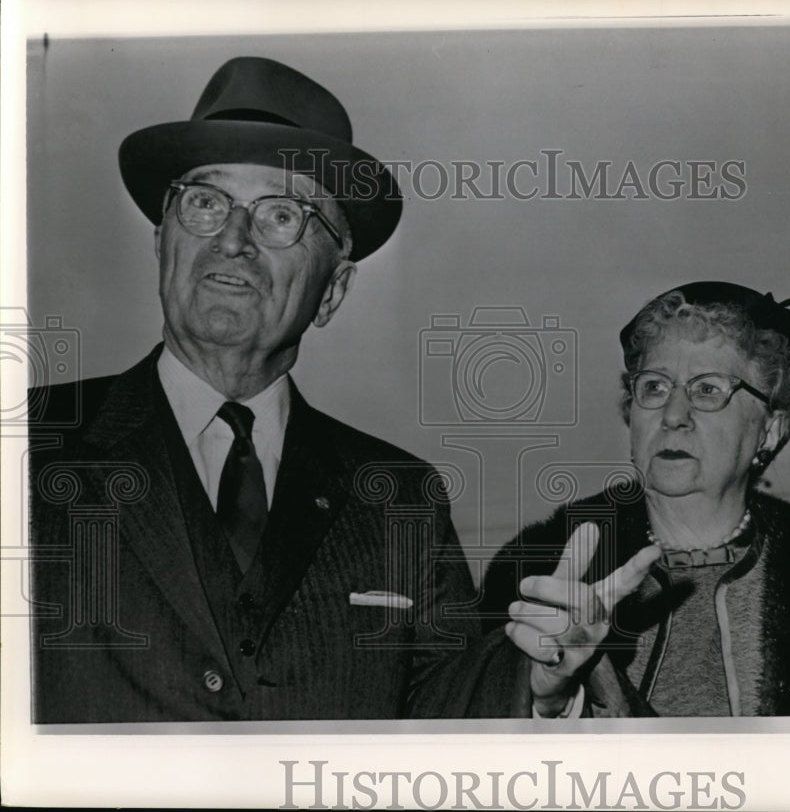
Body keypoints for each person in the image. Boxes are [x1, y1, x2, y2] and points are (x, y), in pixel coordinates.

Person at [28, 56, 494, 722]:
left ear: (331, 291)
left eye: (281, 216)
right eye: (207, 202)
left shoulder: (401, 496)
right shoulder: (26, 441)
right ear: (162, 244)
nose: (234, 240)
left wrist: (545, 684)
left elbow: (454, 724)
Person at [481, 282, 790, 717]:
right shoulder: (536, 570)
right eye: (655, 387)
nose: (673, 416)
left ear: (769, 430)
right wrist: (547, 697)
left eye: (708, 390)